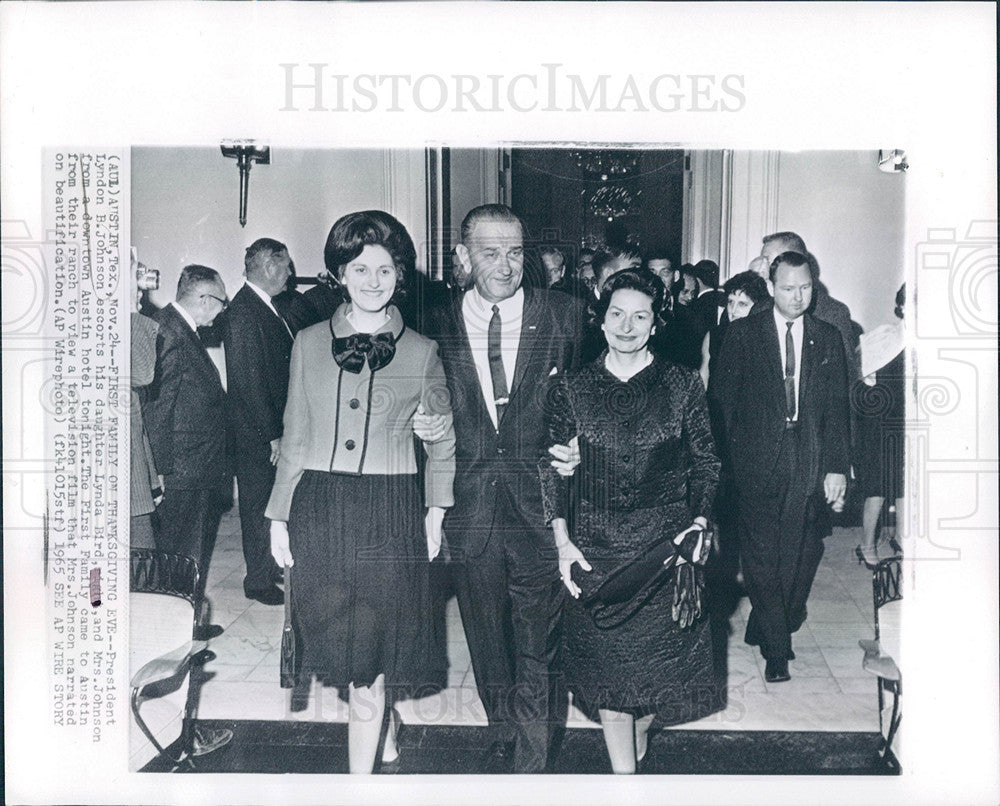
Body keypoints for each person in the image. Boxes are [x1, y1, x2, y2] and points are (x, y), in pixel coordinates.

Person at [266, 210, 455, 774]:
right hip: (320, 508)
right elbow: (295, 433)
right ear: (339, 275)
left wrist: (435, 511)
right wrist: (278, 516)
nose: (374, 281)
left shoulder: (423, 351)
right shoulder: (305, 342)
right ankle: (383, 729)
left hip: (390, 510)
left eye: (386, 269)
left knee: (372, 653)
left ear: (401, 275)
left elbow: (444, 439)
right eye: (360, 268)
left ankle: (359, 783)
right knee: (345, 649)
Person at [541, 269, 722, 774]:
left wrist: (699, 520)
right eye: (616, 313)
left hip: (664, 549)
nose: (627, 325)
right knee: (611, 684)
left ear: (655, 323)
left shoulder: (682, 384)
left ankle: (640, 733)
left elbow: (707, 462)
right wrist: (562, 541)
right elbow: (550, 467)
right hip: (594, 549)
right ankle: (625, 782)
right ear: (600, 320)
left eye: (640, 315)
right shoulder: (573, 388)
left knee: (652, 687)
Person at [427, 204, 583, 773]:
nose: (506, 265)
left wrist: (581, 444)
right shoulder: (435, 323)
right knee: (484, 628)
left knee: (538, 638)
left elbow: (590, 396)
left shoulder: (564, 315)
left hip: (540, 504)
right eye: (490, 253)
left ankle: (532, 763)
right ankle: (502, 725)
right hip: (469, 506)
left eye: (515, 252)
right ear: (463, 257)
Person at [710, 251, 850, 683]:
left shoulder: (827, 338)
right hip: (753, 462)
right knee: (759, 553)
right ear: (770, 288)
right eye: (788, 288)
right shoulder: (743, 334)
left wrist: (836, 467)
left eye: (805, 287)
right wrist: (719, 467)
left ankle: (766, 621)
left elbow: (837, 410)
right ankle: (776, 647)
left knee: (798, 552)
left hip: (806, 460)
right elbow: (721, 403)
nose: (797, 296)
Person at [144, 264, 235, 756]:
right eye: (219, 302)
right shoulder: (172, 335)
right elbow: (158, 410)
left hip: (191, 472)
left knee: (184, 572)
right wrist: (158, 476)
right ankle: (170, 703)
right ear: (202, 298)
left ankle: (176, 642)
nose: (221, 313)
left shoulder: (179, 330)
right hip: (180, 477)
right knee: (178, 573)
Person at [223, 238, 295, 606]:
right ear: (269, 266)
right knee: (257, 506)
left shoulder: (260, 307)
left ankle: (269, 567)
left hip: (264, 430)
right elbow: (249, 381)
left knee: (268, 503)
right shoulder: (245, 311)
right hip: (256, 434)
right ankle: (259, 581)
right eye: (285, 266)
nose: (289, 274)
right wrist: (272, 435)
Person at [853, 283, 906, 568]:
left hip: (908, 423)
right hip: (881, 422)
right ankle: (867, 545)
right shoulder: (885, 337)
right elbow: (860, 377)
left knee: (904, 485)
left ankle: (902, 537)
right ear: (901, 307)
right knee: (877, 487)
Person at [760, 231, 859, 381]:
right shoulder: (760, 308)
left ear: (792, 260)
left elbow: (846, 379)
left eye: (767, 261)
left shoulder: (833, 313)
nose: (761, 269)